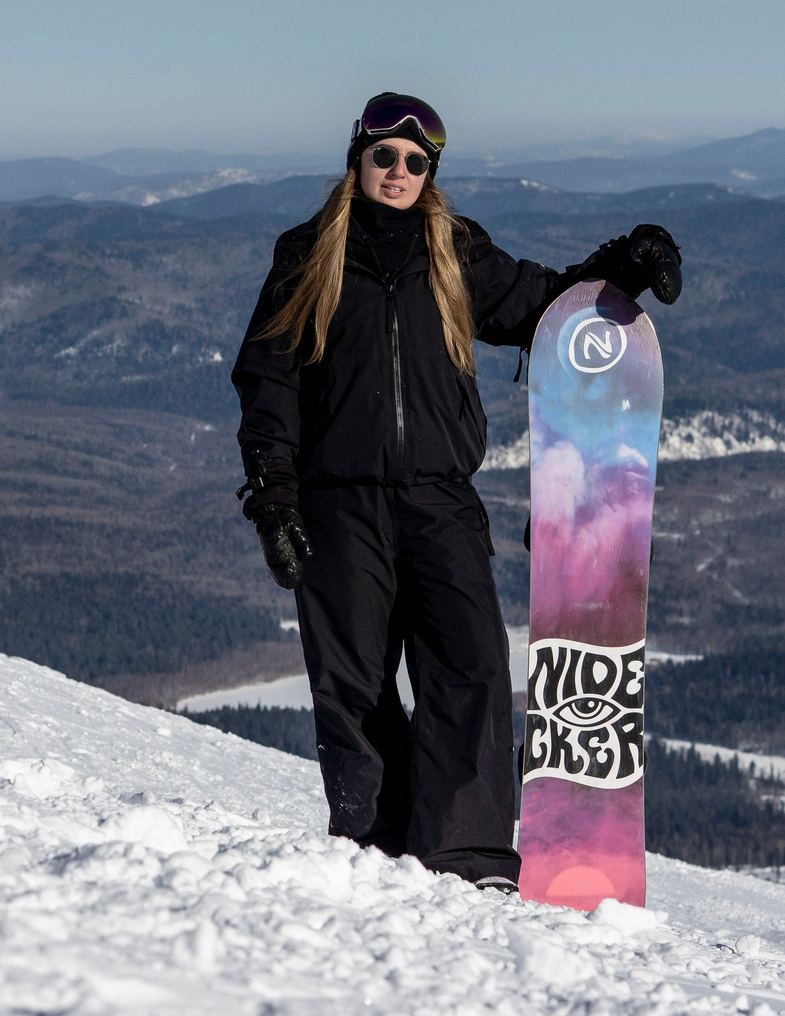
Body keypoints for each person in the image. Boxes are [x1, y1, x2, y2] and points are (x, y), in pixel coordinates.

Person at [230, 92, 681, 890]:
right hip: (339, 505)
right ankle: (374, 847)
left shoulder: (454, 251)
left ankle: (469, 860)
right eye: (384, 157)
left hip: (440, 500)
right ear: (357, 158)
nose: (397, 171)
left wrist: (622, 268)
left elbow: (544, 306)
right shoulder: (307, 255)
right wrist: (274, 494)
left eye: (415, 161)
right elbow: (267, 377)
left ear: (430, 172)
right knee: (355, 686)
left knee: (468, 668)